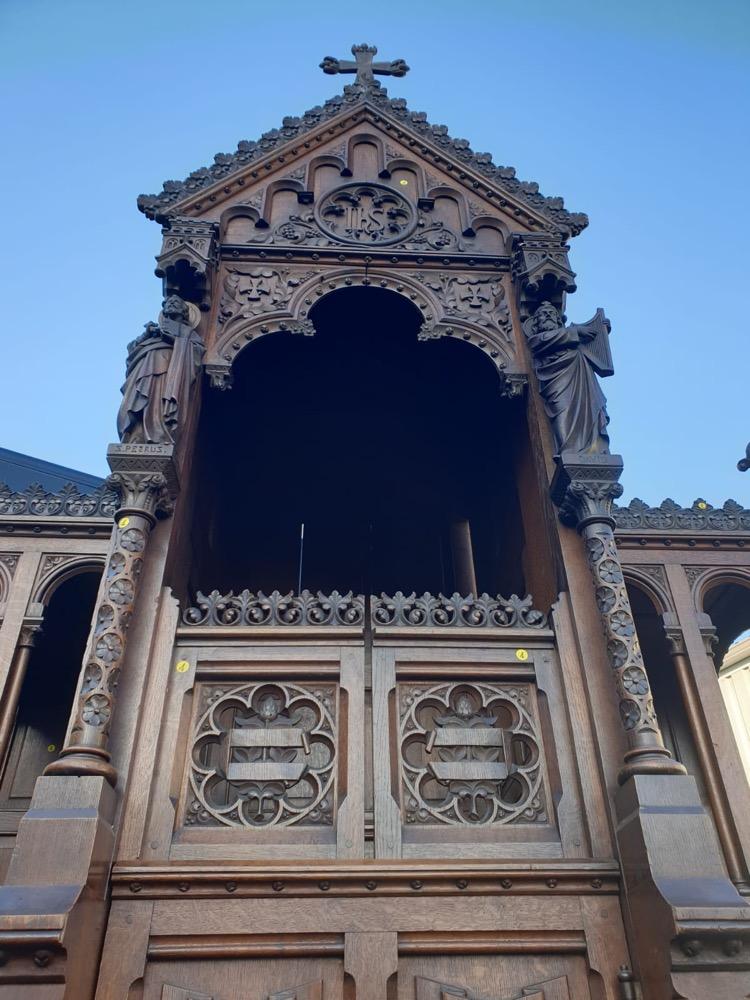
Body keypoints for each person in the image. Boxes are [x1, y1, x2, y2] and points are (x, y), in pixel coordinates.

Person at [524, 301, 611, 456]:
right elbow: (543, 341)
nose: (548, 316)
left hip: (582, 384)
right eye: (543, 314)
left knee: (589, 413)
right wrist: (575, 331)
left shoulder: (573, 341)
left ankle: (594, 450)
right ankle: (568, 451)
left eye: (552, 313)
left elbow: (592, 349)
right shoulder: (538, 339)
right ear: (536, 324)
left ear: (559, 320)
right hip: (556, 383)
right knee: (563, 413)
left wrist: (601, 333)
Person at [117, 295, 203, 445]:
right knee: (137, 402)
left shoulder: (187, 332)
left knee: (157, 403)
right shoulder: (153, 330)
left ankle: (158, 436)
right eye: (168, 303)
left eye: (176, 303)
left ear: (184, 312)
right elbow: (132, 350)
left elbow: (197, 351)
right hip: (143, 371)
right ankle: (136, 435)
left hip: (165, 372)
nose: (171, 305)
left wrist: (174, 338)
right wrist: (146, 334)